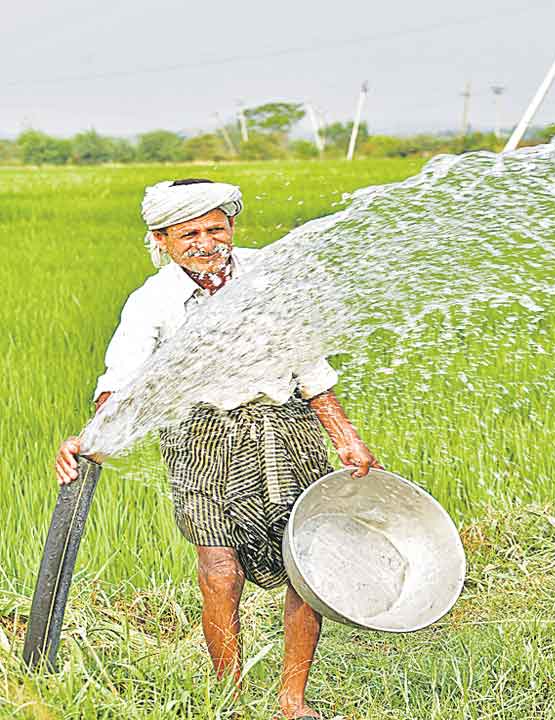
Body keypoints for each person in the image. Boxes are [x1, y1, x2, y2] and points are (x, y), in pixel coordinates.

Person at [54, 178, 378, 720]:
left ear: (231, 227)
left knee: (304, 564)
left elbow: (310, 366)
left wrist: (344, 435)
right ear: (162, 239)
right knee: (219, 566)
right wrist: (92, 440)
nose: (205, 242)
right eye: (189, 234)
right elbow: (122, 379)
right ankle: (230, 699)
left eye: (215, 229)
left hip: (284, 430)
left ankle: (291, 702)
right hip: (198, 437)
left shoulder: (271, 278)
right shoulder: (151, 302)